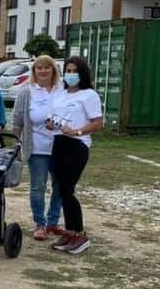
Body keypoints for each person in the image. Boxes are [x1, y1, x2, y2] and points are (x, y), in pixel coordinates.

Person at [46, 56, 103, 254]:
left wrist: (77, 131)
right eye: (68, 71)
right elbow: (51, 118)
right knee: (61, 190)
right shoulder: (59, 94)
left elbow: (97, 123)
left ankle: (80, 234)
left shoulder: (89, 95)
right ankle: (69, 232)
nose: (71, 75)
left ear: (82, 74)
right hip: (58, 142)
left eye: (74, 71)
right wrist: (50, 124)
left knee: (67, 189)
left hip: (77, 145)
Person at [11, 55, 64, 241]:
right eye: (39, 68)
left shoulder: (62, 90)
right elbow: (17, 120)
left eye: (47, 67)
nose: (43, 71)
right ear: (34, 71)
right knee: (38, 186)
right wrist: (15, 143)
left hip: (61, 146)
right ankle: (40, 224)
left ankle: (53, 221)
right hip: (37, 148)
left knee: (60, 185)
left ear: (53, 70)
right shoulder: (27, 92)